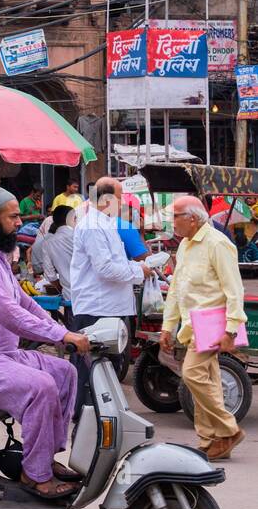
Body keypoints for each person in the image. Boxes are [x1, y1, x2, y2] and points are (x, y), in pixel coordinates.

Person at [0, 187, 89, 499]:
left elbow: (24, 301)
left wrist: (60, 330)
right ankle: (33, 475)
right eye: (14, 216)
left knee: (65, 373)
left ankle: (44, 458)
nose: (20, 222)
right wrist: (60, 335)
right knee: (40, 387)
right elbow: (8, 314)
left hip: (4, 354)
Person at [161, 194, 247, 460]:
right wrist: (168, 326)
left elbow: (235, 290)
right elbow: (177, 288)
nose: (172, 223)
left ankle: (228, 429)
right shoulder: (186, 245)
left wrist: (231, 330)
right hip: (192, 324)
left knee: (193, 374)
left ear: (193, 219)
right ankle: (210, 439)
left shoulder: (218, 244)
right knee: (206, 380)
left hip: (213, 324)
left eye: (176, 217)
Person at [70, 177, 154, 412]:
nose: (122, 203)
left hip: (111, 306)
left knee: (107, 367)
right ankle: (85, 414)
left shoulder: (106, 223)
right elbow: (106, 269)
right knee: (89, 369)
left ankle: (100, 412)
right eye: (119, 198)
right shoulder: (93, 227)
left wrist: (137, 269)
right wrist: (139, 270)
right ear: (107, 199)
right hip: (96, 308)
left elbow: (116, 262)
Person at [41, 204, 77, 306]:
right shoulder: (80, 235)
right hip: (94, 295)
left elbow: (50, 275)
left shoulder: (48, 243)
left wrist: (63, 288)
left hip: (69, 296)